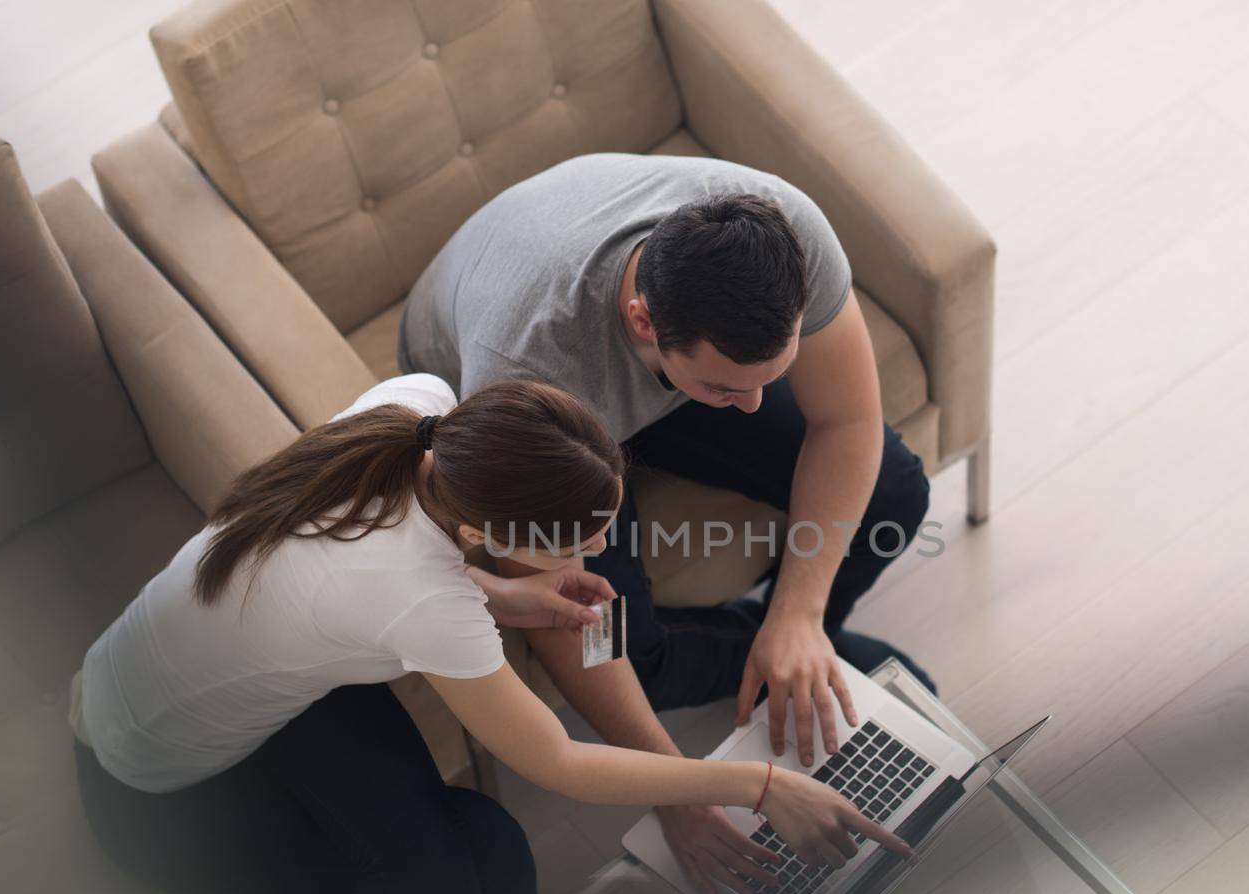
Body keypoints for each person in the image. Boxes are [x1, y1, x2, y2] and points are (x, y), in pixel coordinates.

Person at [72, 374, 909, 894]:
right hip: (158, 795)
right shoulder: (418, 598)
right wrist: (760, 783)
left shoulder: (417, 410)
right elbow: (559, 763)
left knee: (481, 844)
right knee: (474, 846)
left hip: (174, 676)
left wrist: (507, 593)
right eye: (581, 539)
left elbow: (398, 561)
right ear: (480, 534)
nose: (606, 546)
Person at [398, 153, 935, 777]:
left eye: (770, 377)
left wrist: (799, 614)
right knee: (628, 654)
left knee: (894, 494)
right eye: (727, 390)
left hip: (653, 365)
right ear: (644, 322)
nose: (753, 406)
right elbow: (563, 615)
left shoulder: (785, 236)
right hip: (544, 422)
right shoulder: (525, 367)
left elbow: (847, 422)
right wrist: (673, 785)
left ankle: (797, 645)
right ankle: (805, 661)